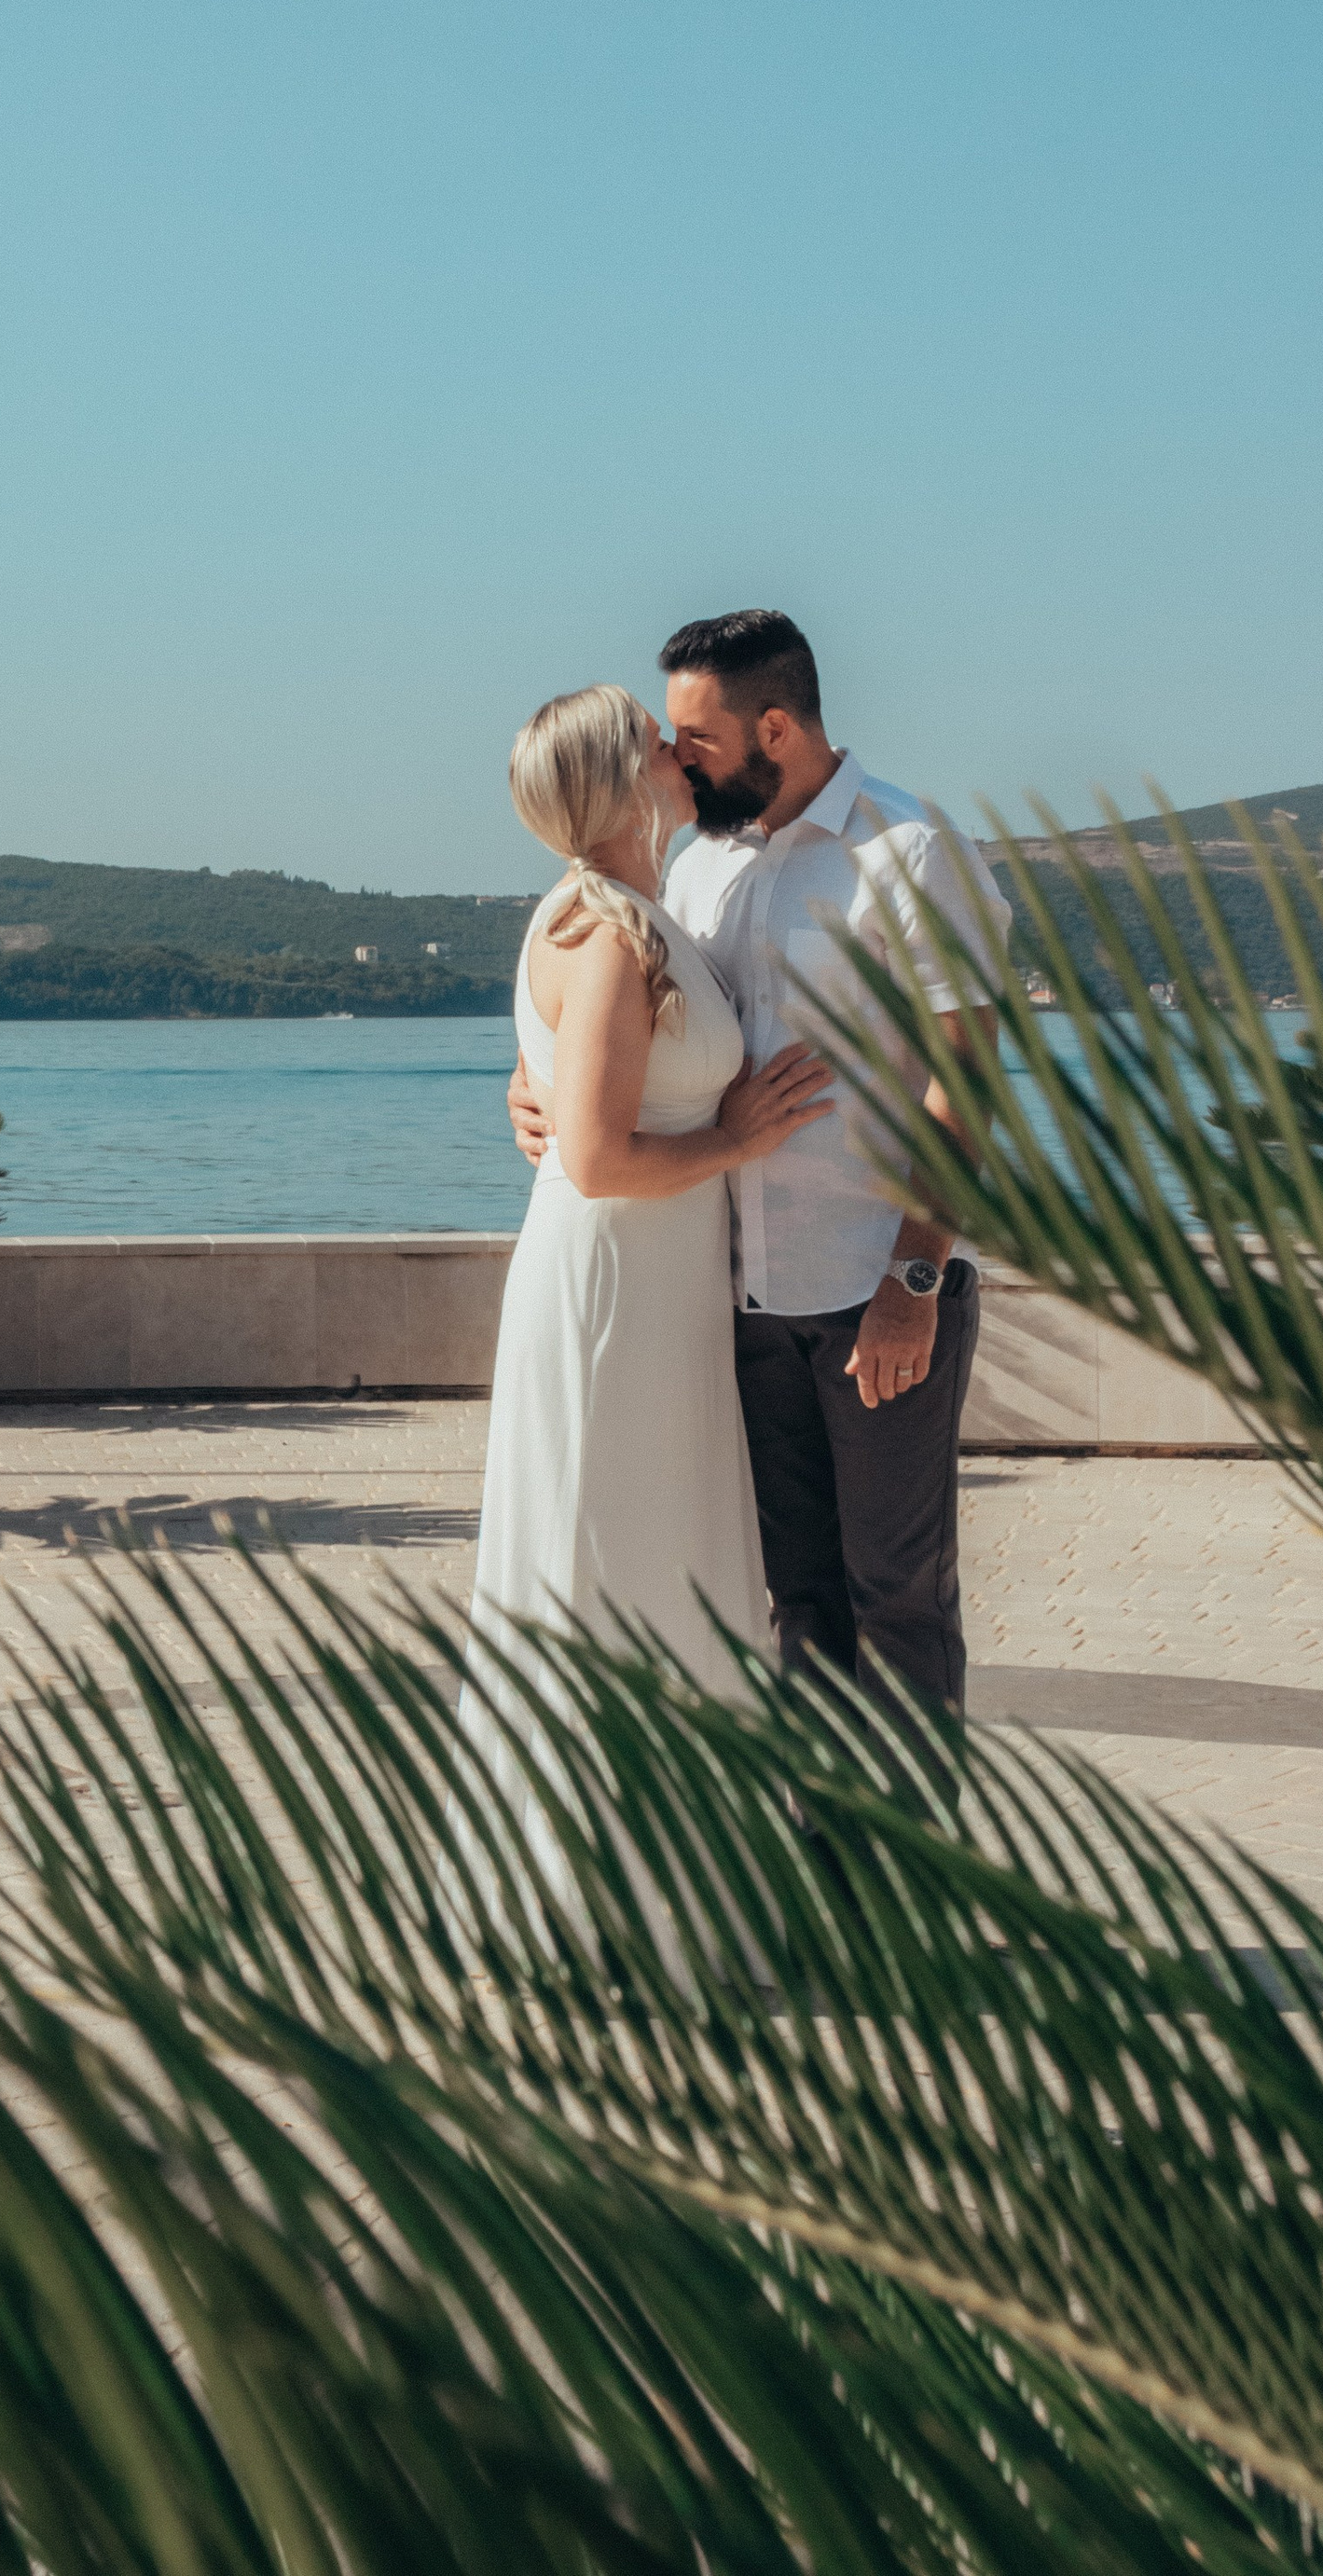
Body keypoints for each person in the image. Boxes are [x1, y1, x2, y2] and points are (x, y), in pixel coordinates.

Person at [507, 609, 1005, 1716]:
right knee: (801, 1606)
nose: (679, 758)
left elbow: (966, 1080)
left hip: (872, 1290)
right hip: (738, 1302)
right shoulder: (693, 871)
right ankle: (822, 1867)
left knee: (898, 1603)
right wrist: (531, 1085)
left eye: (697, 738)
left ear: (773, 727)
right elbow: (632, 1036)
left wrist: (912, 1281)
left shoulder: (911, 851)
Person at [466, 682, 832, 1778]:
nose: (675, 749)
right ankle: (605, 1892)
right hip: (617, 1287)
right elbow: (595, 1156)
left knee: (652, 1553)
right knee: (617, 1553)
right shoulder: (608, 937)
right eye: (649, 741)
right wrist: (739, 1138)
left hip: (653, 1283)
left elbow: (564, 1100)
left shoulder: (606, 912)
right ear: (625, 785)